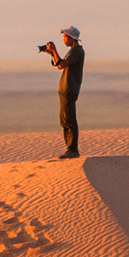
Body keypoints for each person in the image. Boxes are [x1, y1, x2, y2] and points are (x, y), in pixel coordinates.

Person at [41, 26, 84, 158]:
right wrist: (51, 53)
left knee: (69, 119)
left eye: (65, 37)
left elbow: (62, 64)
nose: (64, 40)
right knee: (64, 120)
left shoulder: (77, 51)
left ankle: (73, 150)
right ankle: (69, 149)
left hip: (69, 88)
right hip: (64, 88)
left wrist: (54, 51)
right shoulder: (72, 51)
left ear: (71, 38)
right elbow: (59, 65)